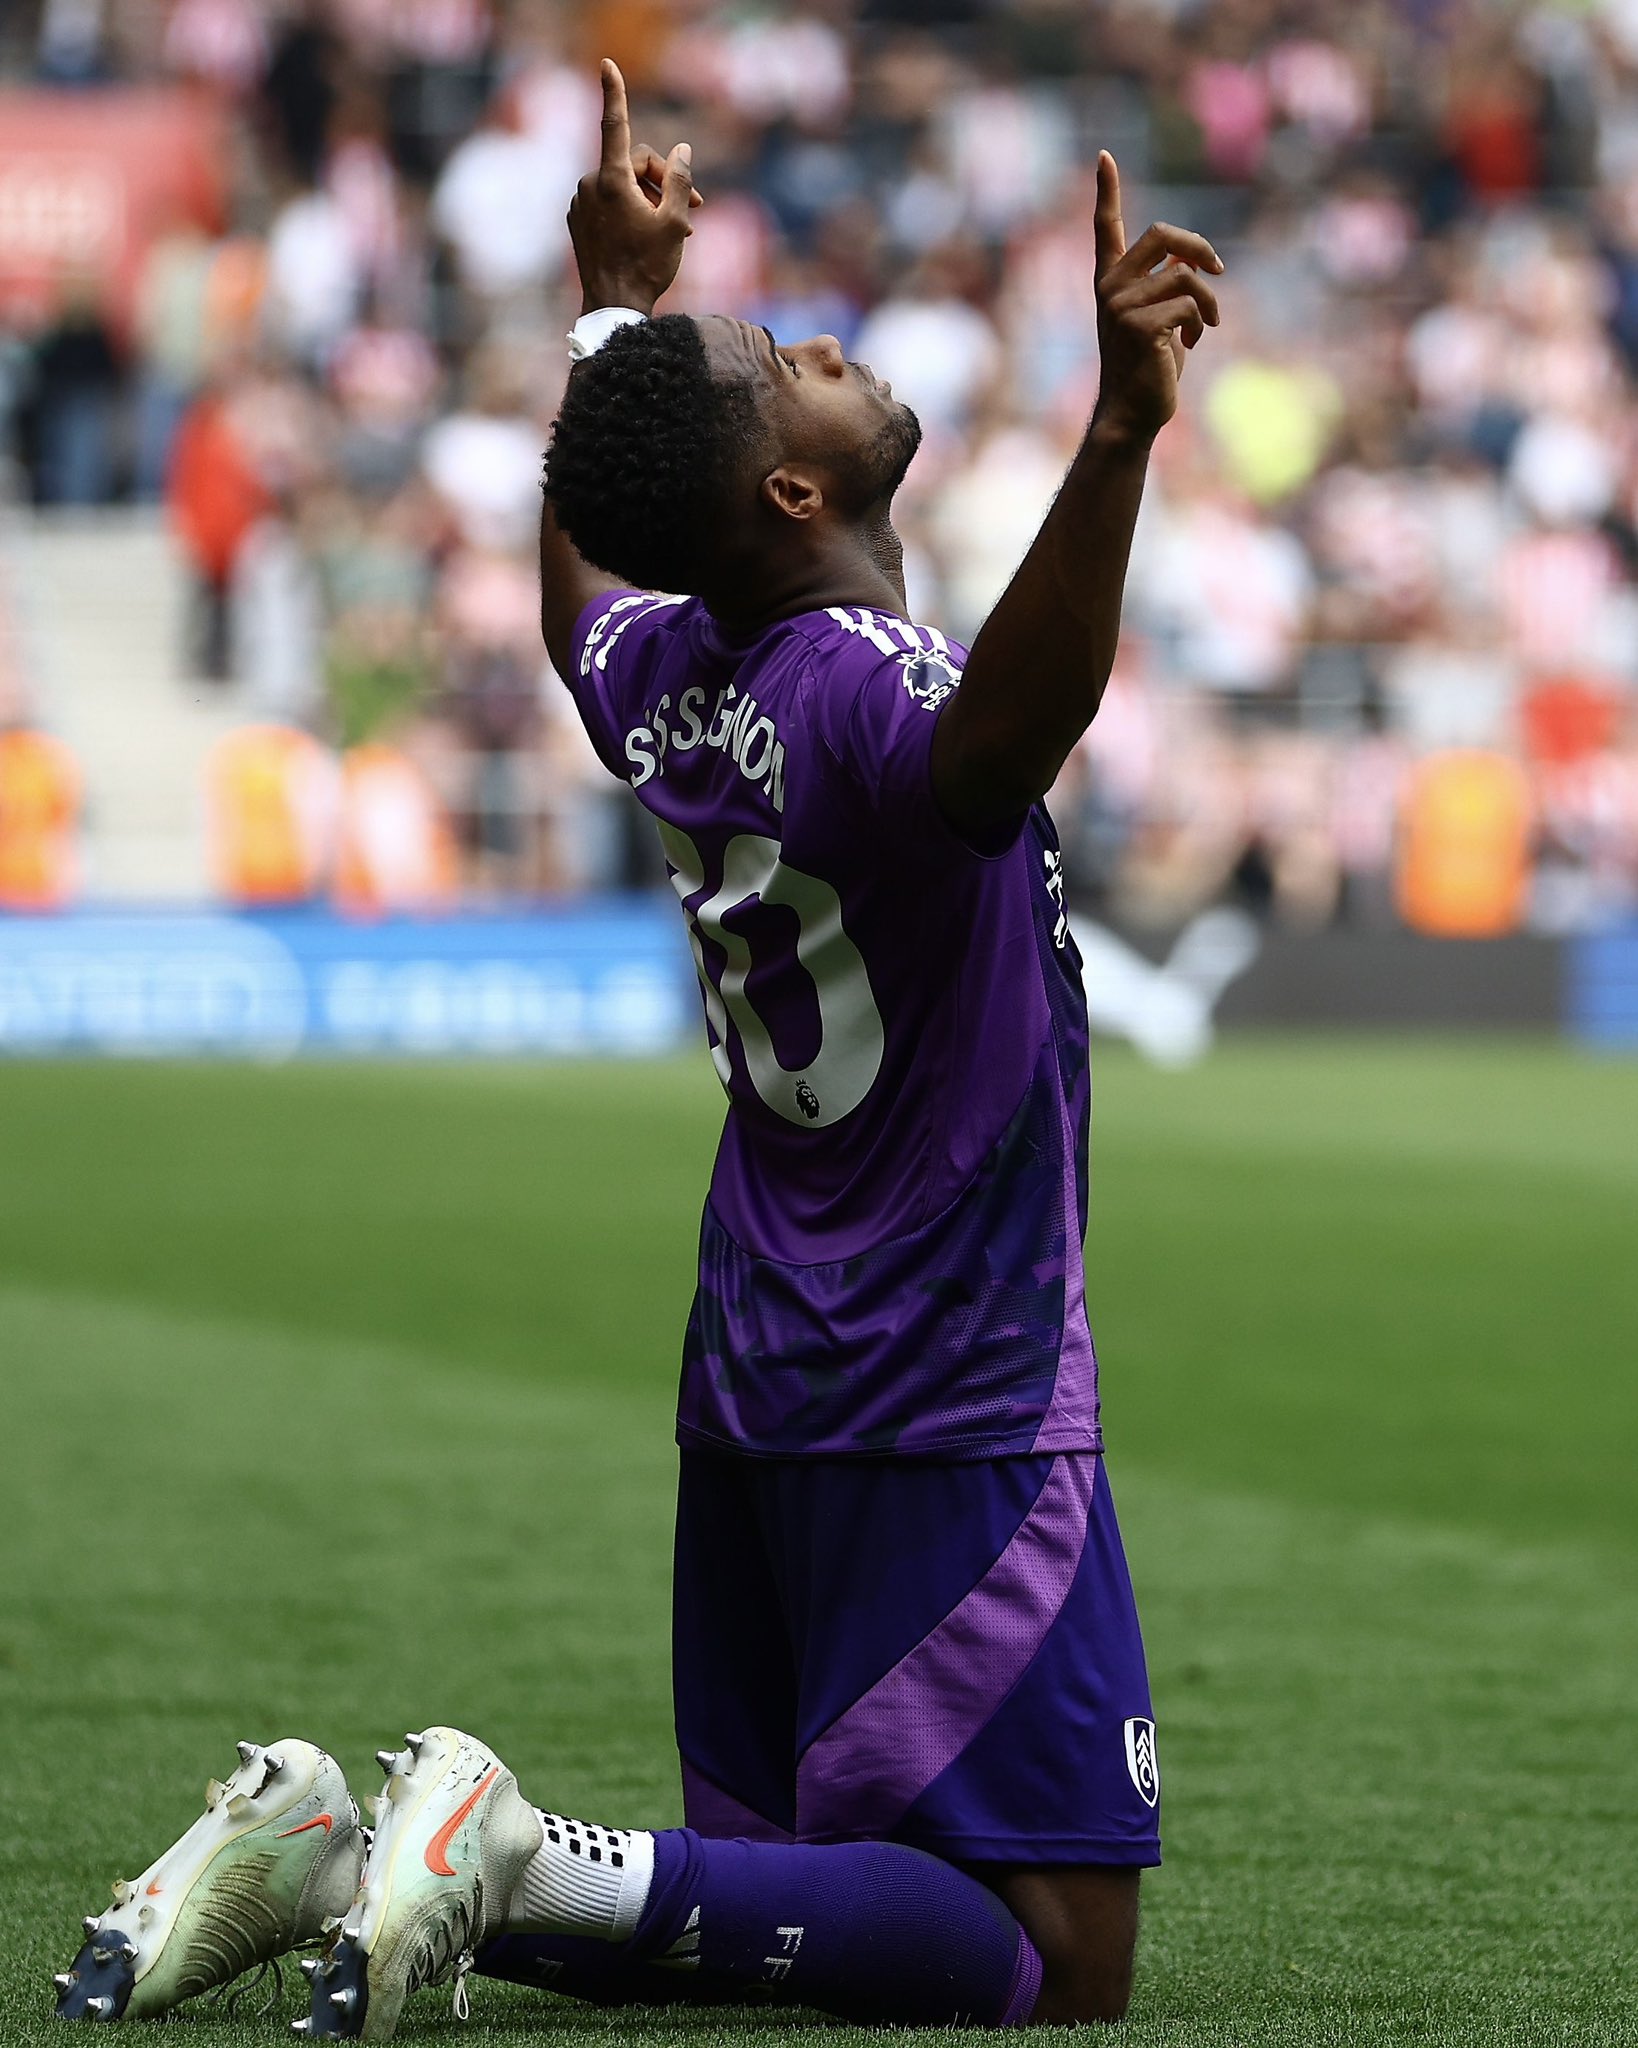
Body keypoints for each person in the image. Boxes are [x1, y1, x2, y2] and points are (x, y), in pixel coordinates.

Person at [52, 61, 1223, 2041]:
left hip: (761, 1363)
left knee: (769, 1899)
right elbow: (1000, 737)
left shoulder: (663, 675)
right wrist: (1117, 430)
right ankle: (498, 1843)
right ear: (794, 491)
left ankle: (336, 1854)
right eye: (796, 367)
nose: (827, 347)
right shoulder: (871, 691)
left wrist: (607, 313)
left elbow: (585, 572)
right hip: (948, 1381)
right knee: (1057, 1955)